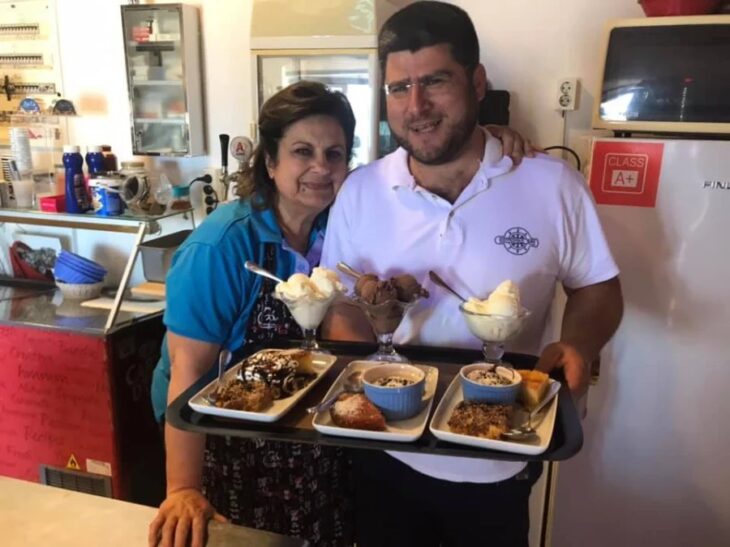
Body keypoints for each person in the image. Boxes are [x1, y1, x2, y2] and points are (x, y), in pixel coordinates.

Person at [147, 79, 532, 547]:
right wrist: (182, 489)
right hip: (231, 441)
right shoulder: (223, 246)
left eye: (334, 154)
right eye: (302, 152)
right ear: (269, 161)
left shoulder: (340, 218)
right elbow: (187, 371)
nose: (321, 168)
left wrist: (485, 139)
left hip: (312, 433)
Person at [320, 2, 624, 547]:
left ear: (477, 82)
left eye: (435, 81)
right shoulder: (361, 191)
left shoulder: (552, 185)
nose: (416, 106)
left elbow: (597, 287)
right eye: (399, 88)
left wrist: (578, 343)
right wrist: (360, 372)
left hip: (500, 456)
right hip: (385, 451)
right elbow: (343, 302)